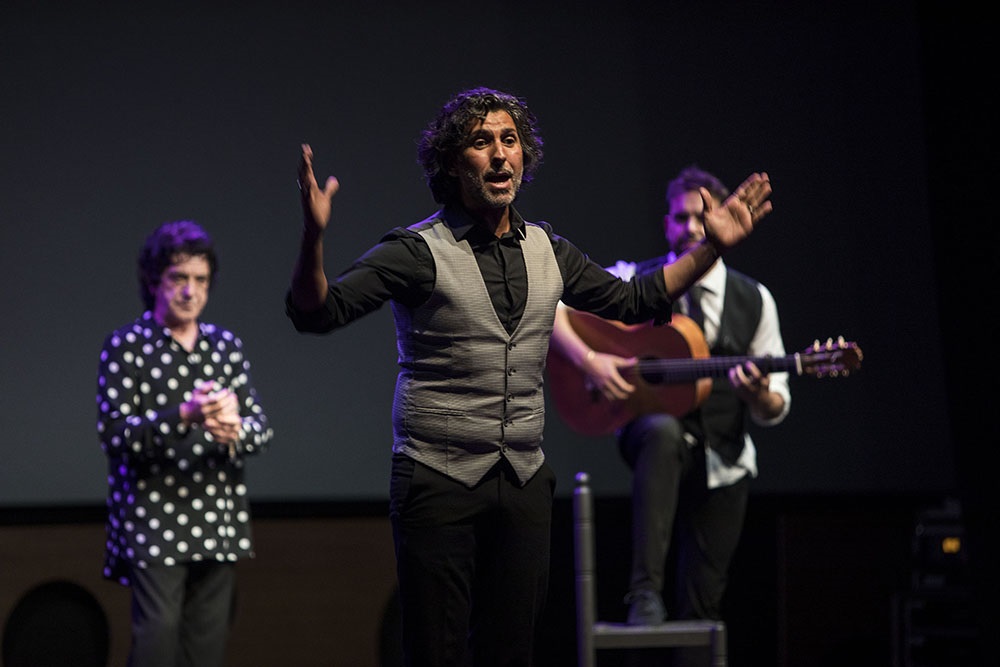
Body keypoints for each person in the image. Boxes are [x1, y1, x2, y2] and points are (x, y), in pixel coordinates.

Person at [286, 87, 772, 667]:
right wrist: (313, 236)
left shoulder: (549, 249)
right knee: (436, 652)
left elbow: (636, 300)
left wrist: (711, 248)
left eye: (510, 140)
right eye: (481, 141)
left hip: (522, 482)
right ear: (452, 162)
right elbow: (318, 312)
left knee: (511, 651)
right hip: (437, 479)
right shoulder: (415, 251)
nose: (499, 154)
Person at [550, 166, 790, 644]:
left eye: (703, 217)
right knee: (661, 432)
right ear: (667, 224)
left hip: (723, 455)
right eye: (682, 217)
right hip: (654, 437)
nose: (693, 228)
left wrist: (757, 394)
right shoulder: (632, 280)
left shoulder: (755, 299)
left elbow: (775, 404)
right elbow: (551, 306)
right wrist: (591, 360)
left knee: (703, 605)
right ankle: (643, 592)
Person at [96, 219, 274, 667]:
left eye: (201, 280)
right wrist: (184, 416)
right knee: (156, 646)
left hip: (218, 521)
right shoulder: (126, 346)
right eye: (179, 278)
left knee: (206, 650)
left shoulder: (225, 346)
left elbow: (260, 429)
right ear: (154, 280)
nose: (190, 291)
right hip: (154, 521)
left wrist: (235, 431)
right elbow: (115, 435)